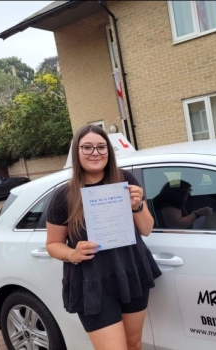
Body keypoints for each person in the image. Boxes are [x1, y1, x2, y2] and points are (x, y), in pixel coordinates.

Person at [46, 124, 162, 350]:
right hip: (92, 282)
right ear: (77, 153)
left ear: (108, 151)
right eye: (87, 147)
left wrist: (137, 206)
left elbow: (147, 229)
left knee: (134, 344)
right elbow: (52, 244)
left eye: (101, 147)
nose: (95, 152)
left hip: (130, 272)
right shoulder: (64, 196)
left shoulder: (125, 181)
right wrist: (73, 253)